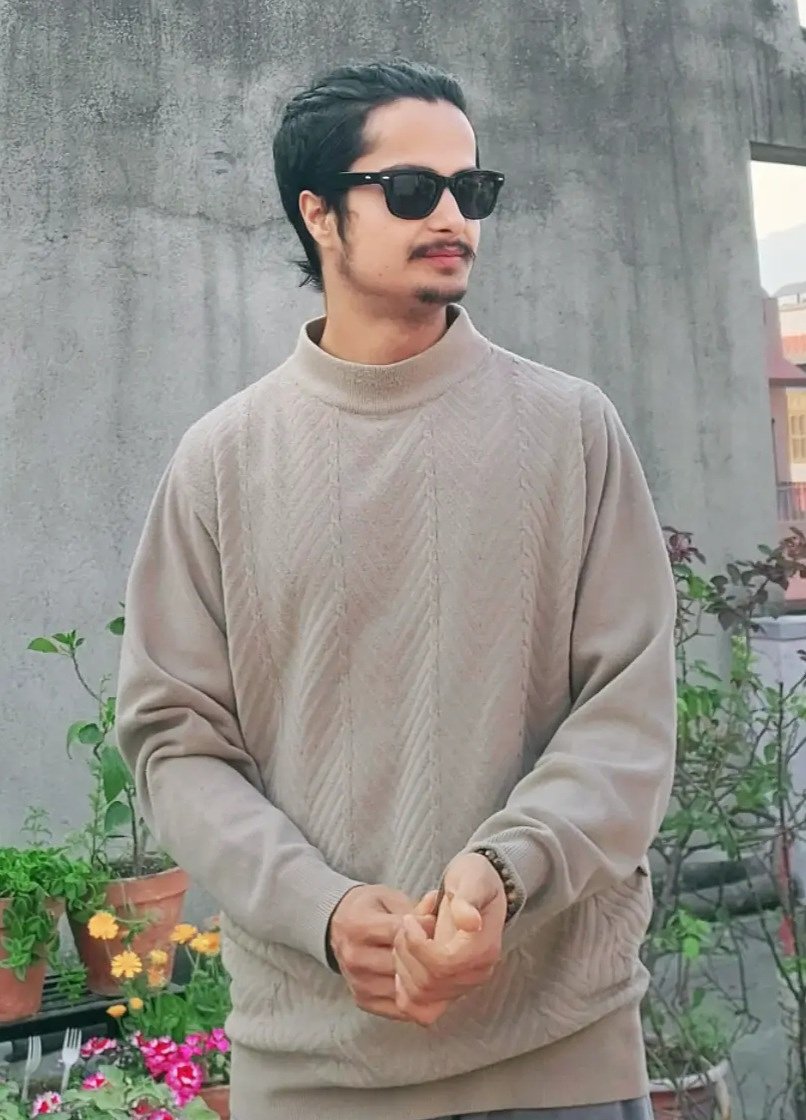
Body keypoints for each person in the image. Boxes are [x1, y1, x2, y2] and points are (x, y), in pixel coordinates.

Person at [117, 59, 676, 1120]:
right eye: (414, 189)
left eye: (474, 188)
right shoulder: (222, 461)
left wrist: (505, 871)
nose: (454, 215)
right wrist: (323, 912)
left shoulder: (570, 430)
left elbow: (630, 712)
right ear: (316, 213)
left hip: (557, 1050)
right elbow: (175, 743)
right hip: (316, 1064)